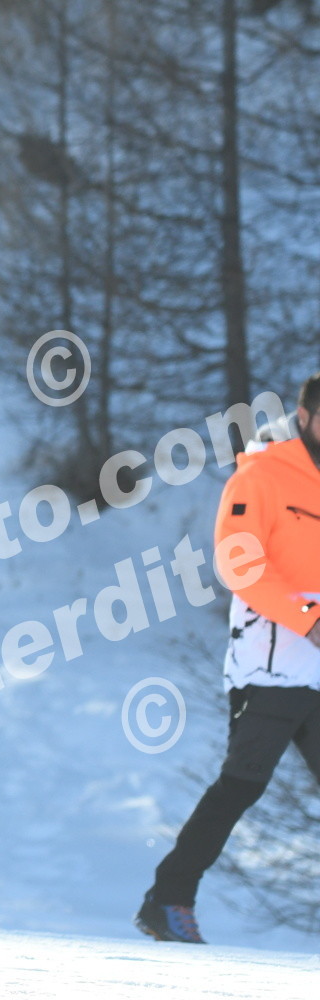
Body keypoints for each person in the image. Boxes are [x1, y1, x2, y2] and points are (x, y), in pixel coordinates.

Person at [136, 372, 320, 943]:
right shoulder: (262, 474)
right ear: (306, 417)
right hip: (271, 666)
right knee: (242, 784)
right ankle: (168, 899)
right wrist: (309, 619)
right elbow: (239, 563)